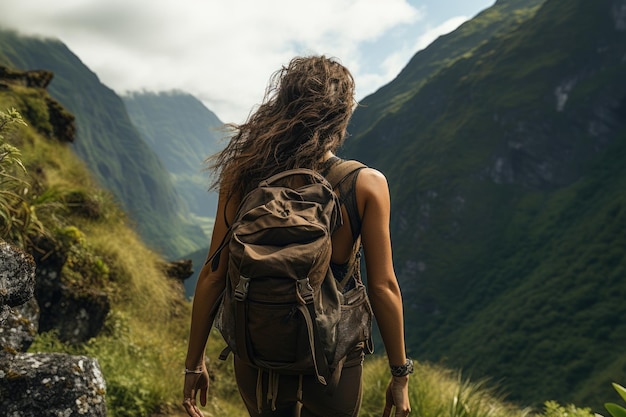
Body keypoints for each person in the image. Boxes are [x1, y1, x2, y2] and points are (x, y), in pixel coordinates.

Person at [183, 55, 411, 417]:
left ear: (282, 106)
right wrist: (400, 373)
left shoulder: (242, 175)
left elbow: (214, 274)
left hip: (257, 349)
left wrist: (194, 363)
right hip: (331, 360)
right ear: (342, 114)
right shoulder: (364, 184)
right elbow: (383, 286)